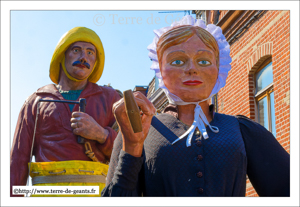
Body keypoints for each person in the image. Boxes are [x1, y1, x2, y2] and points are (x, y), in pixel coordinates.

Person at [101, 16, 290, 197]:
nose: (192, 68)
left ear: (219, 68)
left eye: (204, 61)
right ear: (160, 69)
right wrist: (132, 147)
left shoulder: (241, 130)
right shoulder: (138, 130)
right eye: (177, 61)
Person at [10, 27, 121, 197]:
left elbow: (132, 151)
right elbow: (18, 162)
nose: (84, 57)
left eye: (90, 53)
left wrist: (101, 134)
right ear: (61, 55)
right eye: (76, 50)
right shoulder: (34, 102)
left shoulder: (111, 99)